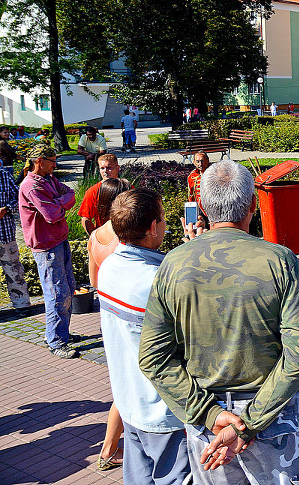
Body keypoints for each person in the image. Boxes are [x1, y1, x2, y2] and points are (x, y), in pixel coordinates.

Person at [139, 160, 299, 484]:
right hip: (273, 416)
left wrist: (212, 415)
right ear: (253, 204)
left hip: (209, 422)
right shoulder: (280, 261)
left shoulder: (172, 264)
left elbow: (153, 358)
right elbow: (298, 356)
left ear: (203, 207)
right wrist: (246, 423)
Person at [99, 188, 191, 484]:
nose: (165, 224)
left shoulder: (110, 266)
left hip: (129, 401)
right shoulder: (159, 280)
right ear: (152, 227)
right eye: (163, 219)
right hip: (164, 410)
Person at [88, 177, 133, 471]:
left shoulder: (94, 237)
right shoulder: (125, 238)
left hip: (110, 316)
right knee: (129, 385)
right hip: (132, 315)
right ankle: (109, 450)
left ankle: (107, 450)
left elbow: (94, 282)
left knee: (122, 383)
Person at [18, 144, 78, 359]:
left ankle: (60, 333)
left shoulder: (48, 179)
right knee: (57, 293)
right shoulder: (31, 186)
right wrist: (61, 204)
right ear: (38, 161)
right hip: (46, 246)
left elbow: (70, 194)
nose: (55, 164)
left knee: (68, 287)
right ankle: (56, 342)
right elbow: (51, 215)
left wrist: (59, 202)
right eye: (52, 160)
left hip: (59, 239)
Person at [0, 165, 29, 318]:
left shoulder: (4, 176)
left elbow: (18, 199)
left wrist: (5, 209)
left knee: (14, 270)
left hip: (5, 233)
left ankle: (21, 304)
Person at [78, 153, 120, 236]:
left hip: (126, 238)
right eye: (102, 168)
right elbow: (85, 218)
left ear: (117, 168)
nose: (105, 171)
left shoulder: (127, 187)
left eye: (109, 168)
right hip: (105, 236)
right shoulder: (93, 191)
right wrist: (94, 238)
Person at [187, 151, 211, 228]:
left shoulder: (214, 173)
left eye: (202, 161)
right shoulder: (192, 176)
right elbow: (191, 194)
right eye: (197, 161)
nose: (200, 164)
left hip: (213, 207)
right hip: (199, 208)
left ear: (208, 160)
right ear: (194, 162)